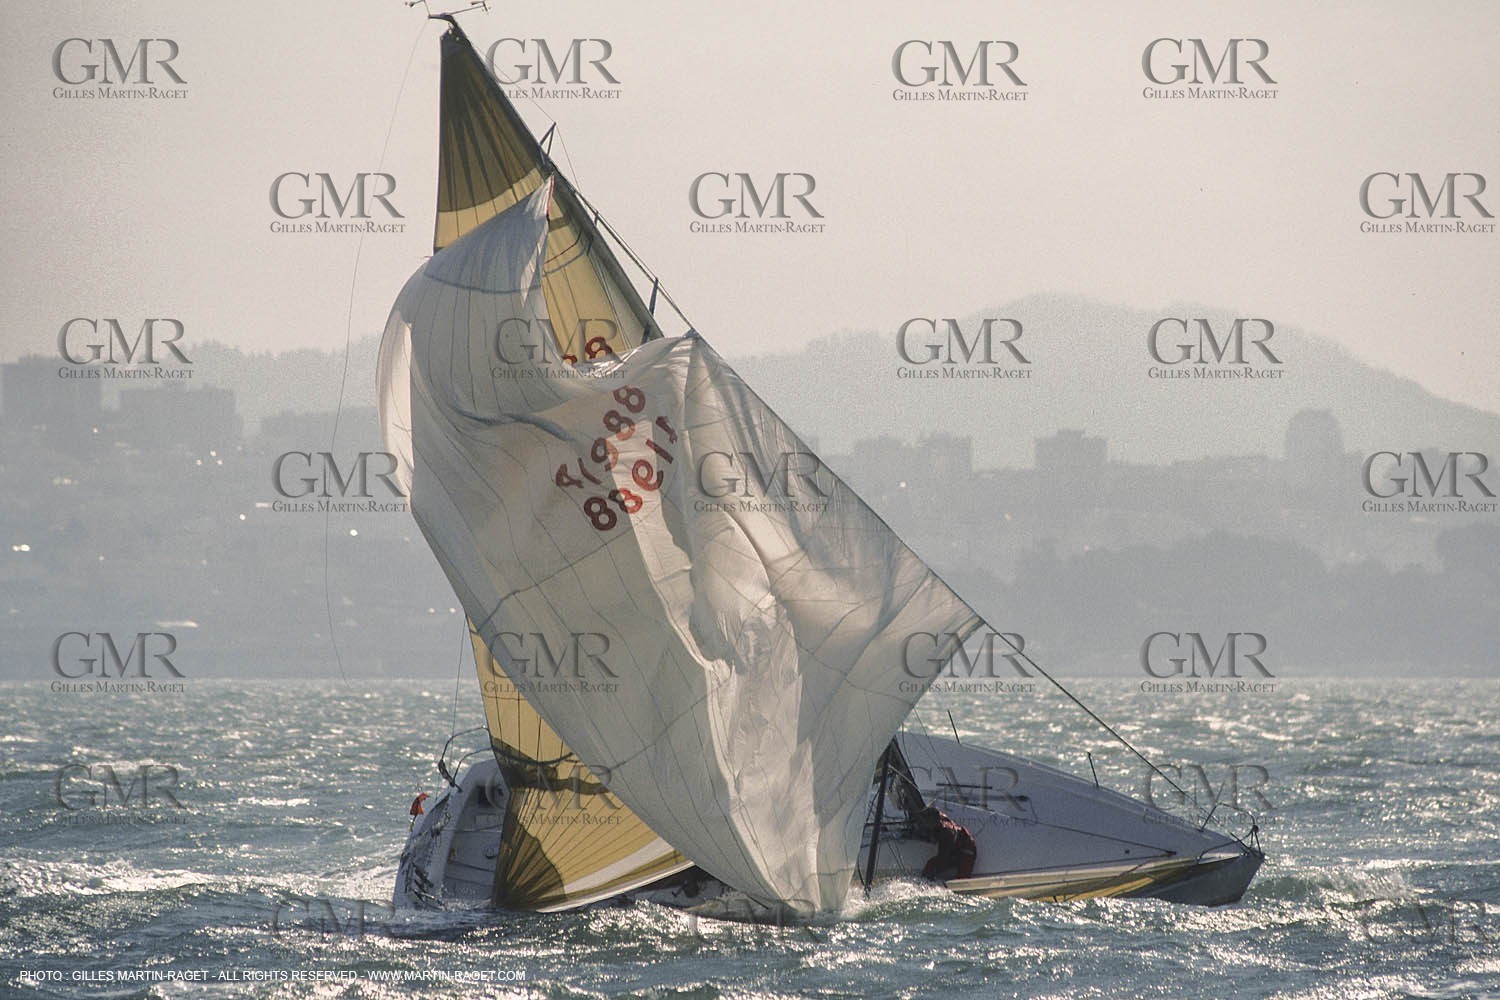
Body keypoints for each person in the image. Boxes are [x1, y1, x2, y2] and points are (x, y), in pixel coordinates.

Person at [917, 806, 977, 881]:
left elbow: (943, 856)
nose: (925, 823)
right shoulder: (939, 819)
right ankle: (924, 879)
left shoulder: (947, 832)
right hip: (954, 848)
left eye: (927, 822)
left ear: (934, 821)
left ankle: (928, 881)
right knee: (932, 864)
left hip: (966, 849)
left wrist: (934, 871)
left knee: (962, 876)